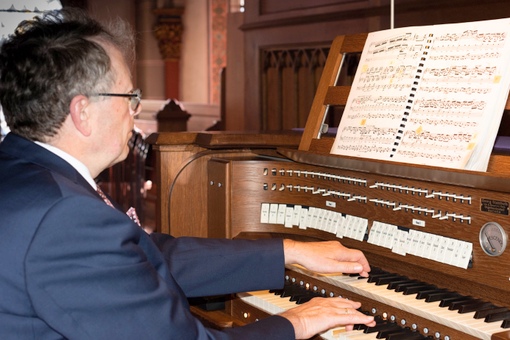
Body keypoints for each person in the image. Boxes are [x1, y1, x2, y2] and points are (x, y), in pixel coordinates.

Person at [0, 8, 376, 339]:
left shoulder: (27, 174)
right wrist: (296, 322)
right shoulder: (64, 218)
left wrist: (287, 252)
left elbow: (147, 258)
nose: (135, 112)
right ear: (82, 112)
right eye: (130, 97)